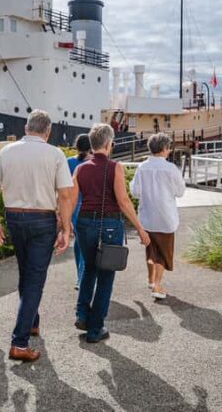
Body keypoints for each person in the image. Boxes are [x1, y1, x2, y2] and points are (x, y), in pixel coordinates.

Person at [0, 110, 73, 362]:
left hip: (14, 217)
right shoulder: (55, 154)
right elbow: (65, 195)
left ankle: (32, 321)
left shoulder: (6, 152)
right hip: (43, 219)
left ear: (26, 128)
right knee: (35, 278)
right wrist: (66, 229)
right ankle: (19, 343)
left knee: (26, 272)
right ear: (48, 131)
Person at [72, 123, 150, 343]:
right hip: (108, 224)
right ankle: (95, 329)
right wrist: (139, 228)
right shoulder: (114, 167)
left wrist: (65, 224)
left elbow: (70, 197)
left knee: (89, 269)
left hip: (84, 222)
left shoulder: (80, 169)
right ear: (108, 144)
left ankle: (82, 314)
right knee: (106, 276)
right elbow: (123, 201)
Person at [129, 132, 186, 300]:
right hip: (165, 218)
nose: (169, 151)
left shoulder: (142, 167)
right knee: (163, 254)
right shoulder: (171, 168)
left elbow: (135, 192)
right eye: (168, 148)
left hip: (146, 217)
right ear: (164, 149)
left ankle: (150, 280)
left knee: (151, 251)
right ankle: (157, 285)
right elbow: (180, 192)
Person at [67, 134, 92, 289]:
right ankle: (82, 278)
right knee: (87, 245)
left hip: (72, 207)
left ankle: (79, 275)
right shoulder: (92, 163)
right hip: (89, 207)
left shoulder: (68, 162)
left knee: (79, 243)